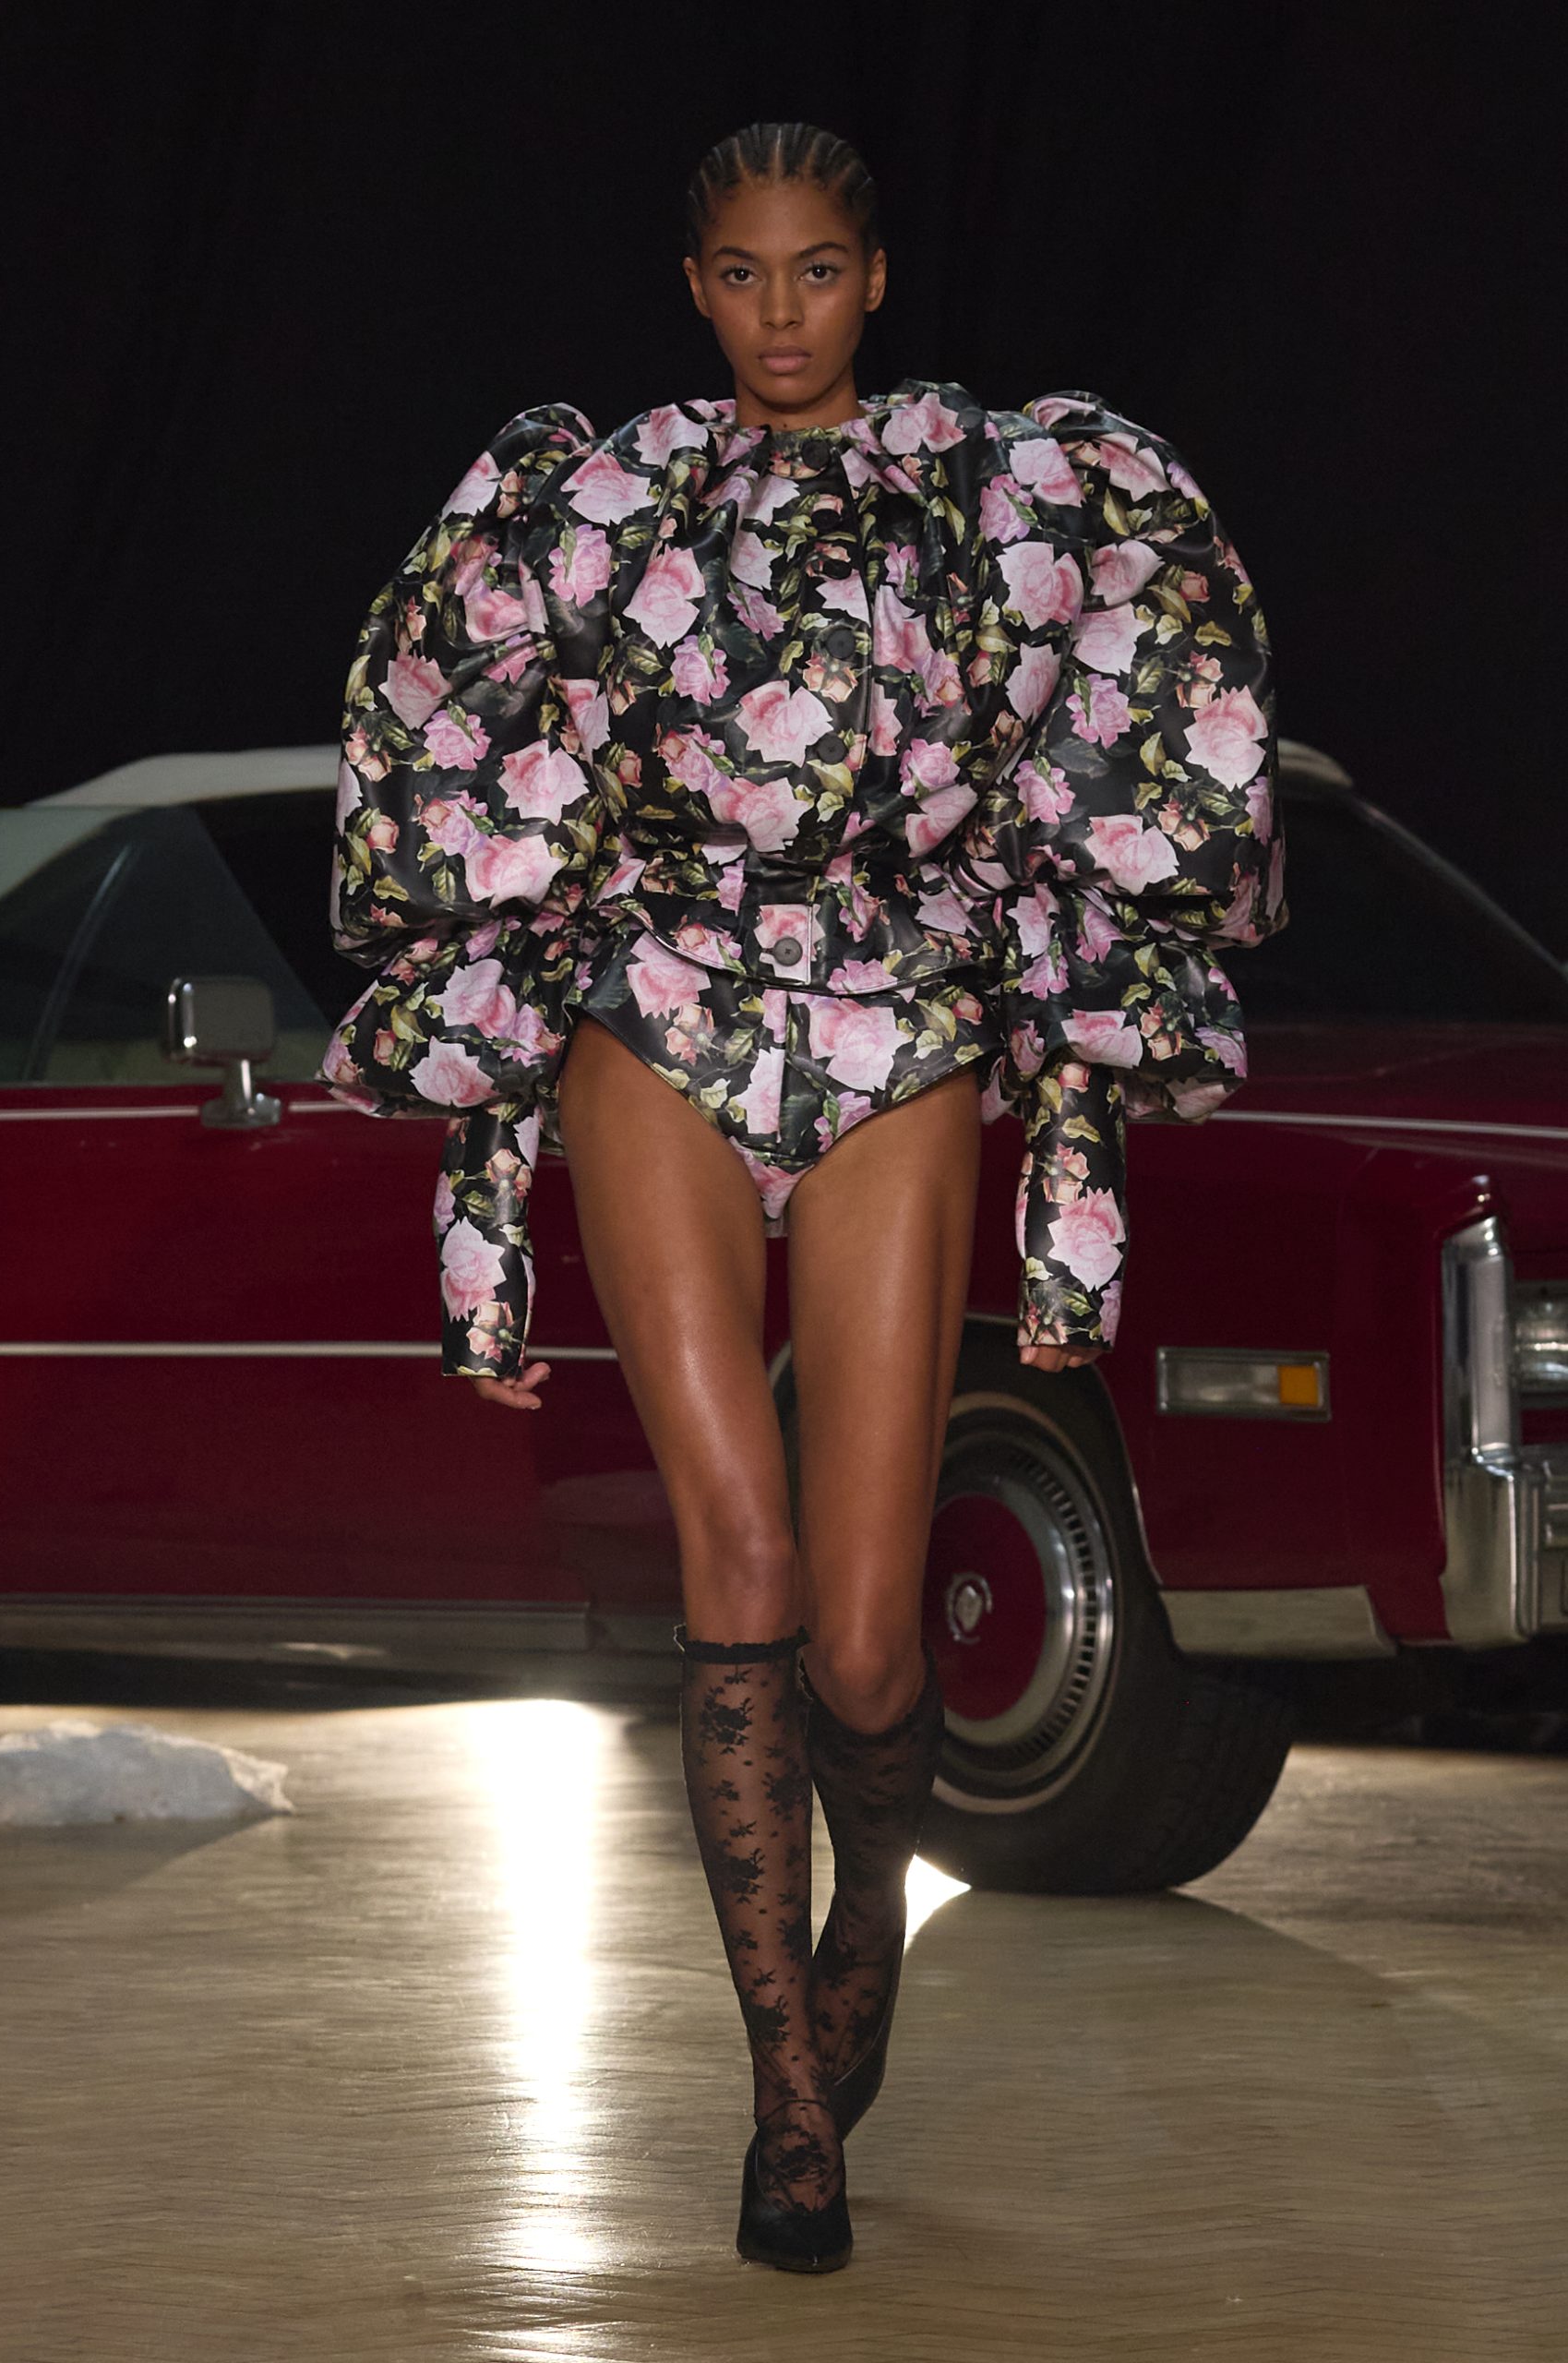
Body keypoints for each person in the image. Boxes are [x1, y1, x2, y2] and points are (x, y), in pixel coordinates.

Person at [320, 119, 1285, 2274]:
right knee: (737, 1566)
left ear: (873, 278)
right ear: (692, 287)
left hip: (898, 1013)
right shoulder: (593, 499)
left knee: (862, 1636)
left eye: (818, 269)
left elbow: (1129, 729)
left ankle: (869, 1914)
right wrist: (487, 1162)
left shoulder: (995, 488)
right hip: (655, 1004)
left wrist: (1070, 1090)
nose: (780, 311)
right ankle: (783, 2103)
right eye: (743, 274)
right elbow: (465, 762)